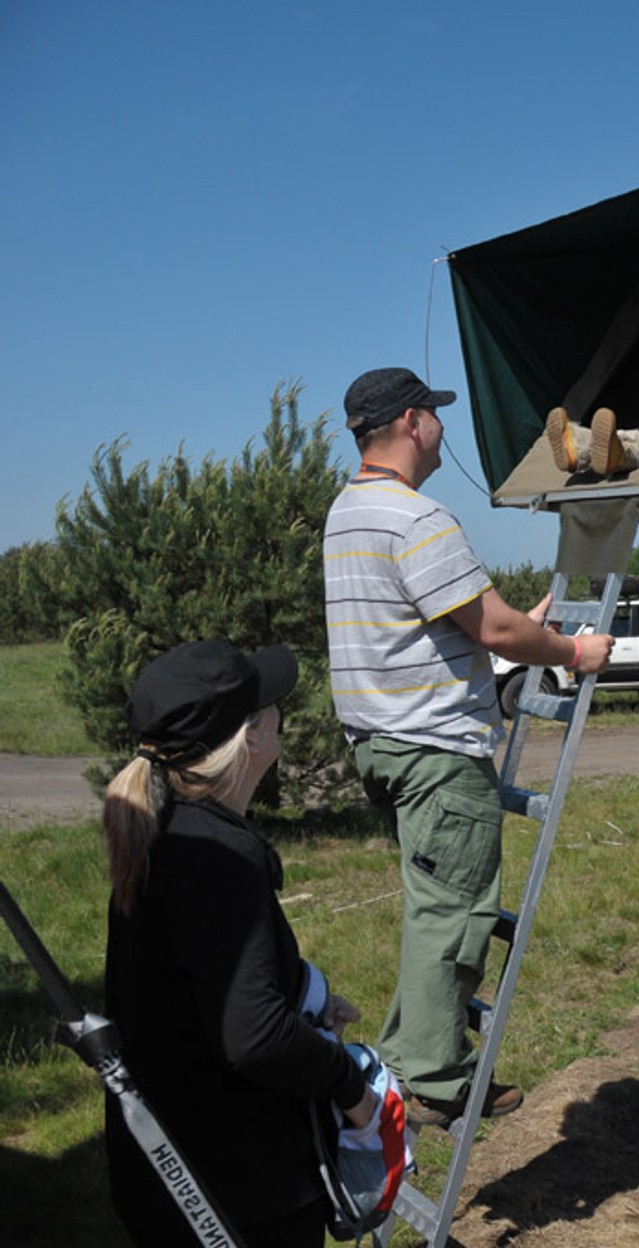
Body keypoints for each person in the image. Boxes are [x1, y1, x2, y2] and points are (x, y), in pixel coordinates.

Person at [323, 367, 610, 1127]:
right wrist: (572, 654)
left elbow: (461, 621)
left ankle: (406, 1057)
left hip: (383, 745)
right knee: (453, 916)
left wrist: (527, 624)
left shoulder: (349, 512)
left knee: (431, 909)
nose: (444, 431)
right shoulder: (416, 520)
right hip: (437, 755)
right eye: (438, 418)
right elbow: (490, 630)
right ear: (414, 423)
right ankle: (430, 1079)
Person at [103, 640, 376, 1247]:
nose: (283, 712)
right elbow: (251, 1037)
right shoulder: (218, 858)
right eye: (270, 705)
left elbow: (200, 981)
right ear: (250, 736)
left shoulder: (167, 830)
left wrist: (301, 996)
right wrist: (352, 1091)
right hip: (236, 1194)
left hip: (174, 1169)